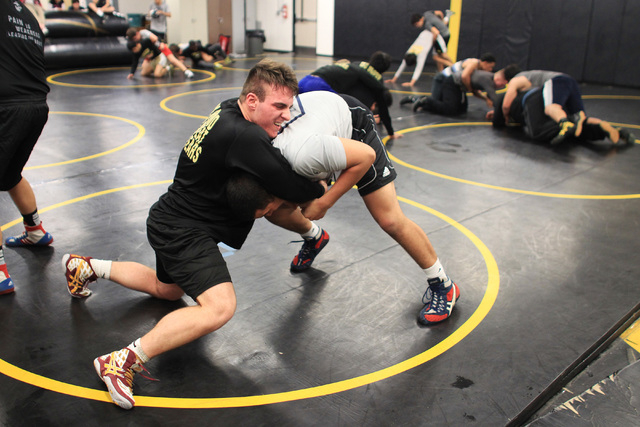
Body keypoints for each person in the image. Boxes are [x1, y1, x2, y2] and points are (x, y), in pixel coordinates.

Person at [61, 59, 325, 410]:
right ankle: (121, 362)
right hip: (183, 230)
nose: (285, 115)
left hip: (170, 216)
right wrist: (325, 180)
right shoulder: (244, 136)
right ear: (251, 101)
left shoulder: (228, 109)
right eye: (278, 106)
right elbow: (293, 185)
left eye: (289, 107)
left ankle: (86, 267)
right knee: (220, 307)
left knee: (166, 289)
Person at [268, 90, 460, 327]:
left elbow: (365, 157)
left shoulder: (302, 155)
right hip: (316, 134)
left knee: (389, 219)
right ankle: (314, 237)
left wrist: (324, 203)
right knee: (276, 210)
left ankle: (443, 284)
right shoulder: (266, 153)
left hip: (353, 126)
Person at [1, 0, 54, 295]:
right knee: (10, 174)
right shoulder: (27, 17)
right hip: (36, 106)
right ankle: (35, 231)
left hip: (6, 107)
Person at [297, 51, 401, 140]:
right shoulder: (375, 81)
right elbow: (380, 104)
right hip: (319, 85)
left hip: (306, 80)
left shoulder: (358, 64)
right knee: (341, 114)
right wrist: (390, 132)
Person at [492, 86, 637, 146]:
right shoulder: (522, 87)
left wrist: (499, 115)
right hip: (549, 96)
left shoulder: (503, 97)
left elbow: (498, 123)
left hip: (532, 103)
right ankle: (610, 130)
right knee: (575, 131)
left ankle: (571, 122)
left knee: (537, 131)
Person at [501, 70, 591, 145]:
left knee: (551, 107)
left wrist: (505, 116)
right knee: (579, 116)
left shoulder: (516, 79)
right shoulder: (531, 76)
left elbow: (506, 104)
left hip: (557, 81)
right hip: (571, 82)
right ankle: (601, 125)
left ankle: (564, 123)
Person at [401, 54, 505, 116]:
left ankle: (420, 101)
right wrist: (469, 89)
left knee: (454, 108)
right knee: (436, 103)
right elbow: (464, 77)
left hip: (454, 83)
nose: (490, 70)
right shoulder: (474, 63)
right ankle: (415, 99)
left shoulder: (479, 71)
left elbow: (471, 88)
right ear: (485, 62)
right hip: (443, 79)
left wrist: (484, 98)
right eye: (490, 67)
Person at [125, 27, 193, 79]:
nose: (135, 40)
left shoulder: (144, 33)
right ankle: (160, 68)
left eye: (135, 38)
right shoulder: (138, 43)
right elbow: (135, 58)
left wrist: (161, 43)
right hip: (151, 52)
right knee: (144, 70)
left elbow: (155, 38)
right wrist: (132, 72)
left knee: (172, 59)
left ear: (137, 33)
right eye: (133, 40)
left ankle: (186, 71)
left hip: (159, 47)